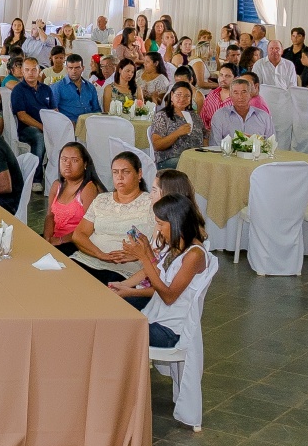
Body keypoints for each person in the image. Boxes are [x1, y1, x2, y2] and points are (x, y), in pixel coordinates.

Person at [106, 192, 210, 349]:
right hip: (156, 315)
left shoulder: (194, 255)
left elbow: (168, 297)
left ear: (176, 222)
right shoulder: (176, 243)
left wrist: (143, 258)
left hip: (170, 330)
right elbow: (160, 275)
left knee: (111, 329)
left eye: (161, 224)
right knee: (110, 313)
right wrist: (147, 251)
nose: (158, 229)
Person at [68, 151, 157, 284]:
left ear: (139, 174)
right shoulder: (102, 199)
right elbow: (79, 235)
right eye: (115, 172)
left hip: (123, 270)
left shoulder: (151, 203)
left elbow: (161, 245)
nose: (119, 177)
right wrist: (99, 254)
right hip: (88, 260)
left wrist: (138, 255)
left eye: (125, 172)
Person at [43, 142, 103, 252]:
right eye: (64, 159)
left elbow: (89, 227)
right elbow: (50, 216)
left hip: (75, 242)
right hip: (55, 239)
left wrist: (60, 240)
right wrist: (47, 238)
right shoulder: (57, 185)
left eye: (74, 160)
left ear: (85, 164)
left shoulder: (88, 188)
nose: (67, 164)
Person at [149, 82, 204, 170]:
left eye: (187, 96)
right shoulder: (162, 116)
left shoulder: (195, 116)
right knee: (195, 166)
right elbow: (157, 145)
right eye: (179, 95)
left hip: (195, 158)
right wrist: (177, 133)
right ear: (172, 95)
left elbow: (205, 138)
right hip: (170, 159)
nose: (182, 99)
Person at [208, 76, 275, 145]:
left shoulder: (264, 117)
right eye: (236, 93)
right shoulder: (220, 116)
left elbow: (271, 144)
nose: (240, 96)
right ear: (230, 95)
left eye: (244, 92)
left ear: (250, 94)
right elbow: (215, 145)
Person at [49, 53, 100, 123]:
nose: (74, 71)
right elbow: (53, 112)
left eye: (77, 68)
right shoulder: (57, 87)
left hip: (89, 124)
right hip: (68, 125)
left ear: (83, 68)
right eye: (71, 68)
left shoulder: (90, 87)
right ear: (66, 69)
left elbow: (96, 110)